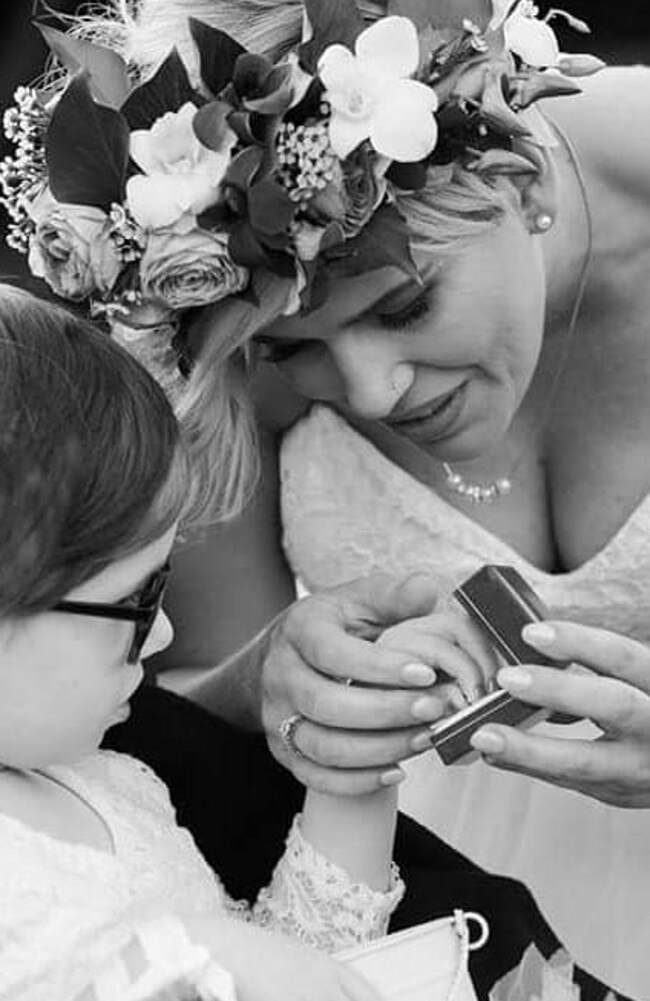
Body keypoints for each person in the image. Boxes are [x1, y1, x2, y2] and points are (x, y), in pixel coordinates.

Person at [4, 0, 650, 993]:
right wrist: (273, 681)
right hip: (417, 894)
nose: (371, 391)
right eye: (293, 349)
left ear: (517, 177)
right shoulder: (213, 325)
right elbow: (140, 696)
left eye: (403, 304)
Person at [1, 283, 629, 1001]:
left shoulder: (111, 782)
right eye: (136, 602)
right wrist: (185, 956)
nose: (165, 632)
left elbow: (306, 965)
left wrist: (348, 777)